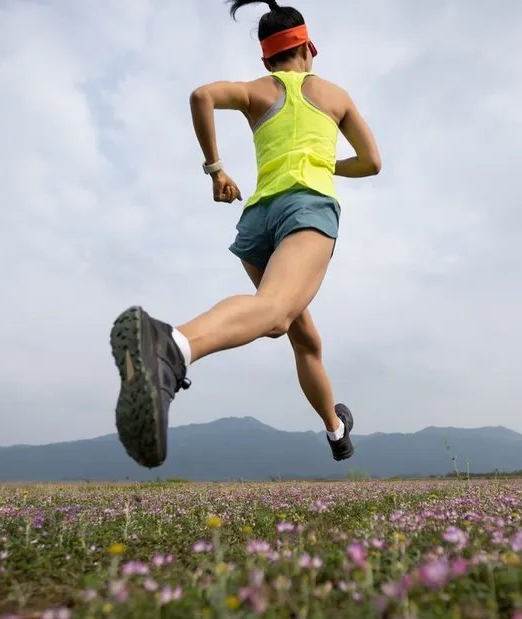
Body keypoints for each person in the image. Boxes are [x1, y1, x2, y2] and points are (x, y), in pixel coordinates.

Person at [109, 0, 382, 469]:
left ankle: (337, 431)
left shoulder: (257, 91)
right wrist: (323, 163)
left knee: (304, 338)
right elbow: (372, 162)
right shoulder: (334, 94)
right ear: (308, 48)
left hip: (258, 220)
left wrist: (216, 170)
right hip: (307, 209)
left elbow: (202, 96)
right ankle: (171, 346)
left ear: (266, 58)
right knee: (275, 314)